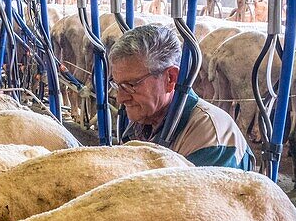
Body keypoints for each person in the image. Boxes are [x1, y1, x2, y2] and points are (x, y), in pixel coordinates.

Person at [108, 23, 253, 170]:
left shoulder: (211, 141)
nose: (120, 98)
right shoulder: (144, 118)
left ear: (170, 78)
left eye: (131, 85)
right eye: (118, 85)